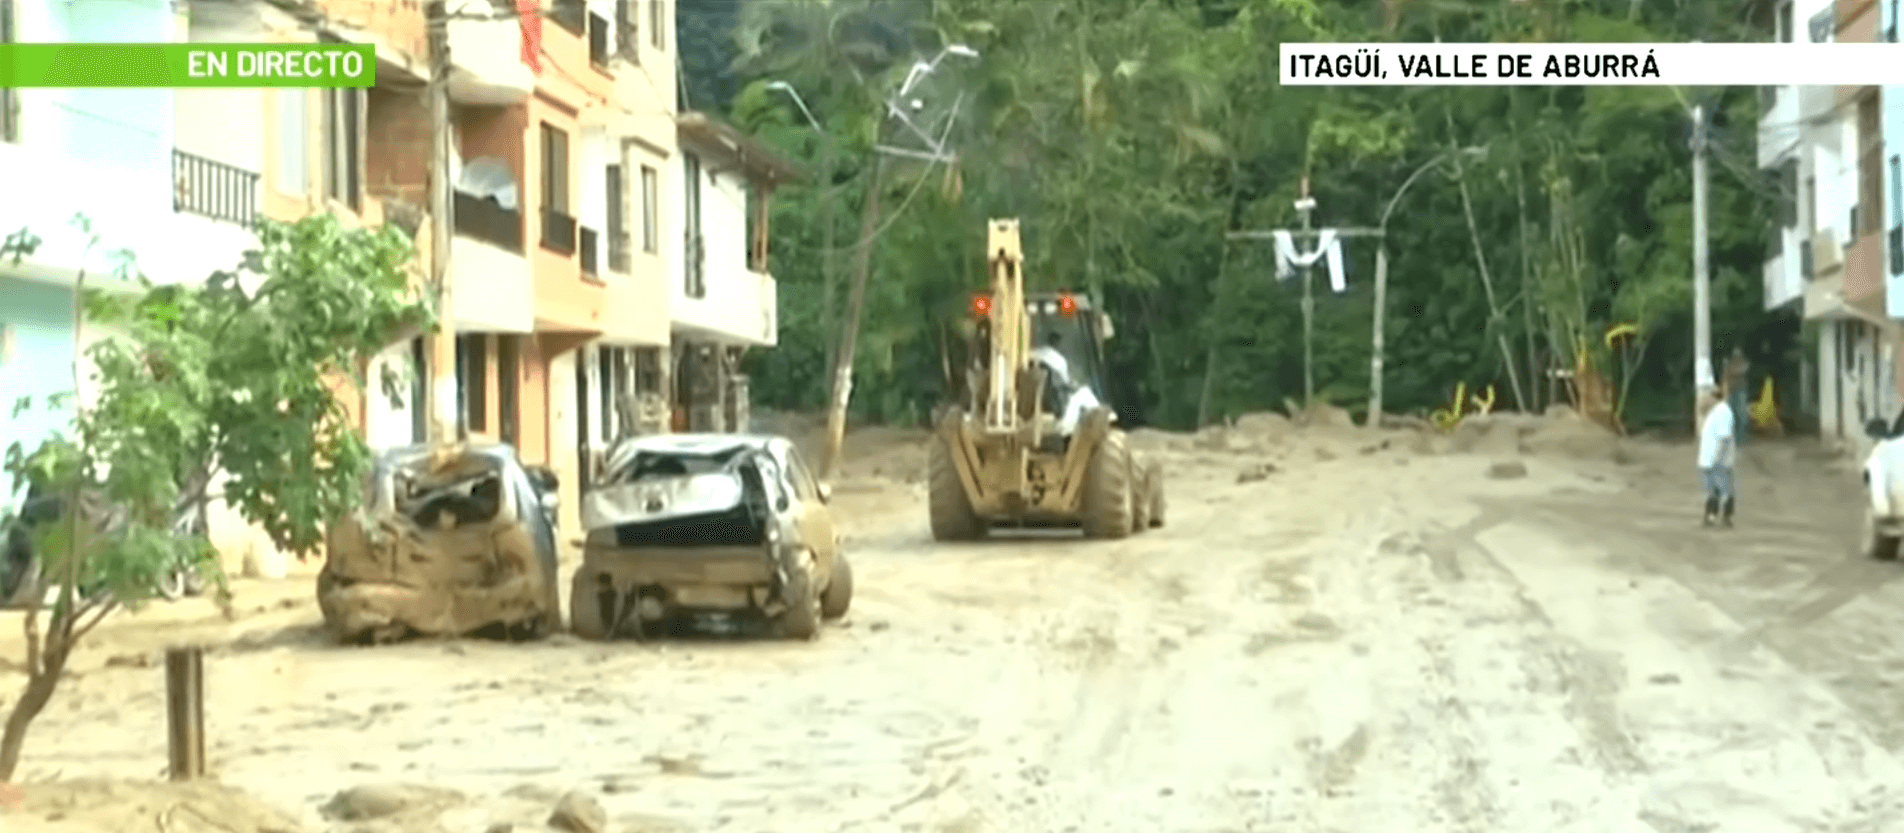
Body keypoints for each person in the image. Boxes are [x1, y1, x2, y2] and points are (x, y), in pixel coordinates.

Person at [1698, 385, 1737, 528]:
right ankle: (1712, 515)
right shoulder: (1715, 412)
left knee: (1721, 489)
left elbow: (1724, 438)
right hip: (1711, 459)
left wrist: (1718, 459)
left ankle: (1724, 516)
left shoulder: (1722, 412)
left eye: (1707, 398)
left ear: (1713, 397)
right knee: (1713, 489)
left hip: (1717, 460)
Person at [1723, 347, 1750, 443]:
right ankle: (1733, 438)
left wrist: (1730, 369)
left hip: (1740, 391)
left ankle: (1740, 438)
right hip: (1731, 391)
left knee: (1741, 414)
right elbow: (1726, 375)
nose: (1736, 356)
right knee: (1731, 415)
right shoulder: (1728, 363)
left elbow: (1741, 370)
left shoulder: (1743, 363)